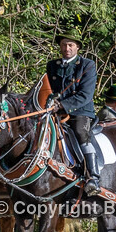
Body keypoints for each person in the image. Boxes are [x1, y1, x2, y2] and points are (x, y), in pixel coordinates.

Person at [46, 29, 100, 194]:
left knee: (80, 132)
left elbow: (85, 94)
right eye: (63, 45)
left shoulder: (87, 65)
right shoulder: (52, 66)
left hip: (80, 111)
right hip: (54, 111)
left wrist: (62, 105)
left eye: (70, 45)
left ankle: (93, 177)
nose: (66, 48)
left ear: (77, 47)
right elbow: (46, 89)